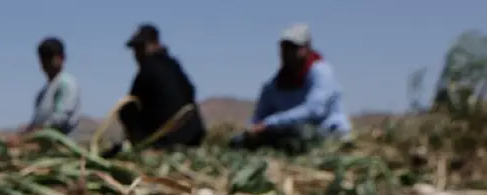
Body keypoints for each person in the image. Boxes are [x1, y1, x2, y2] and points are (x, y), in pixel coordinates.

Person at [232, 24, 352, 152]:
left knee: (300, 133)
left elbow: (314, 110)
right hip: (288, 130)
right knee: (238, 142)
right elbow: (260, 116)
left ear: (307, 48)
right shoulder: (276, 83)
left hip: (326, 132)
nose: (289, 53)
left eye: (294, 48)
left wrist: (270, 123)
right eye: (285, 48)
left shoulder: (321, 72)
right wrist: (252, 129)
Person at [101, 24, 205, 158]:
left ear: (153, 44)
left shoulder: (148, 70)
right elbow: (190, 92)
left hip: (165, 143)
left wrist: (138, 139)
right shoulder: (173, 66)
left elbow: (129, 109)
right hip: (192, 139)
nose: (136, 55)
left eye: (139, 48)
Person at [23, 37, 82, 136]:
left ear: (62, 57)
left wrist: (34, 129)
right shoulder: (42, 93)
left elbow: (60, 119)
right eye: (43, 57)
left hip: (61, 146)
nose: (46, 62)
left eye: (49, 57)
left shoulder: (66, 83)